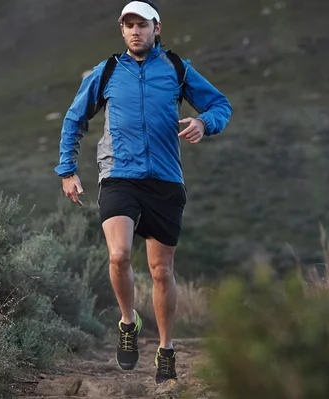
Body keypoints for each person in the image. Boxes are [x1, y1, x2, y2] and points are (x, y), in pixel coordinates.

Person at [54, 0, 232, 385]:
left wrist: (205, 122)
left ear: (156, 28)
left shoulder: (176, 69)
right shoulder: (107, 72)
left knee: (160, 271)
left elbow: (221, 104)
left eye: (142, 24)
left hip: (166, 181)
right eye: (128, 25)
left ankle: (166, 349)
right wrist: (67, 169)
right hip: (119, 175)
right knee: (118, 255)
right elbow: (74, 117)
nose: (135, 31)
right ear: (122, 30)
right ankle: (128, 321)